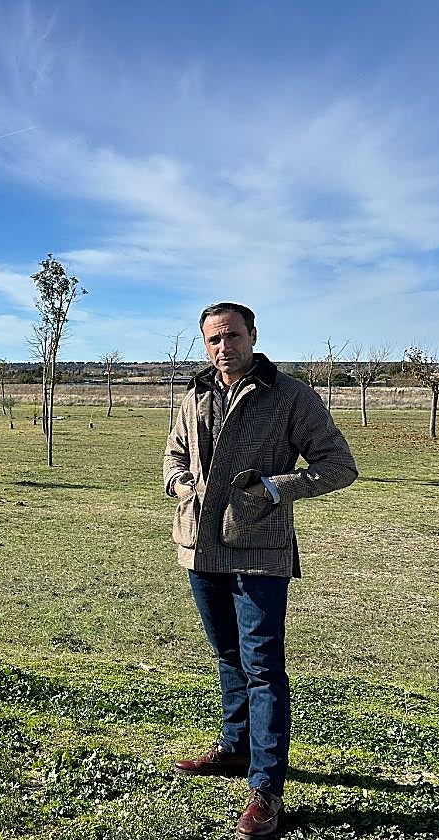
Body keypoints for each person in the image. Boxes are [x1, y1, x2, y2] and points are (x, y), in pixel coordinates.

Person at [163, 302, 357, 838]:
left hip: (260, 550)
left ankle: (266, 787)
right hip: (199, 546)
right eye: (213, 340)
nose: (222, 348)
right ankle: (235, 748)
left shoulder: (290, 396)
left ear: (252, 335)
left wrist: (272, 488)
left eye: (231, 336)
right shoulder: (196, 393)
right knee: (228, 654)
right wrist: (180, 484)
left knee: (264, 666)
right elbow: (174, 453)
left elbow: (339, 466)